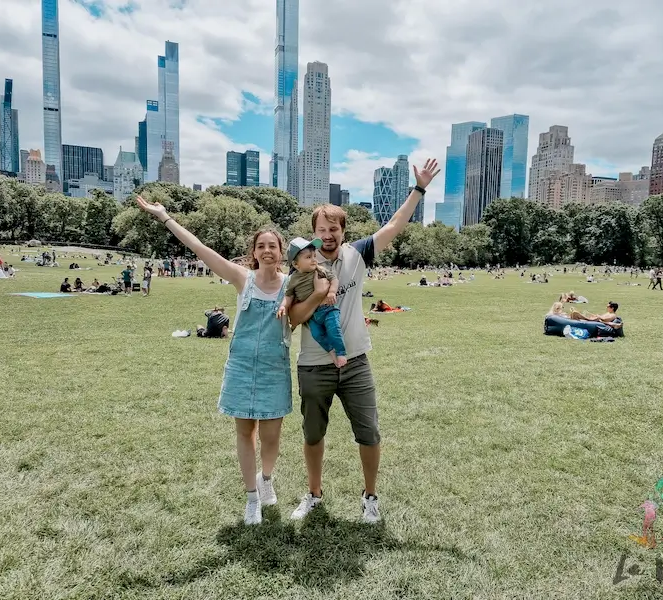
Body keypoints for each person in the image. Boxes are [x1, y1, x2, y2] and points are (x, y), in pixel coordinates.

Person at [287, 158, 440, 524]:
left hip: (355, 361)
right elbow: (292, 319)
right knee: (312, 436)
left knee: (369, 433)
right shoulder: (300, 268)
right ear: (313, 233)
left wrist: (418, 189)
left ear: (343, 230)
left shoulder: (358, 255)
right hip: (313, 364)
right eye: (321, 229)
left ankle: (370, 496)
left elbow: (394, 225)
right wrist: (318, 295)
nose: (327, 235)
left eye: (334, 228)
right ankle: (314, 494)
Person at [136, 195, 291, 527]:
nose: (267, 250)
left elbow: (325, 276)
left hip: (274, 369)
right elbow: (200, 249)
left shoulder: (291, 285)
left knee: (272, 436)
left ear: (281, 253)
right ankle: (252, 498)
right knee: (245, 432)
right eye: (261, 245)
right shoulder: (241, 278)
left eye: (272, 246)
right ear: (254, 252)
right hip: (241, 368)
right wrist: (165, 217)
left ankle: (266, 478)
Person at [277, 237, 346, 368]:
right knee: (317, 335)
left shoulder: (319, 270)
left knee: (334, 329)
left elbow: (334, 279)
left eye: (314, 255)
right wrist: (283, 306)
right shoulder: (293, 279)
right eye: (308, 257)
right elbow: (289, 295)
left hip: (328, 309)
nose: (314, 259)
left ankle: (341, 352)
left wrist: (331, 292)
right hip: (312, 316)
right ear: (296, 264)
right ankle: (331, 351)